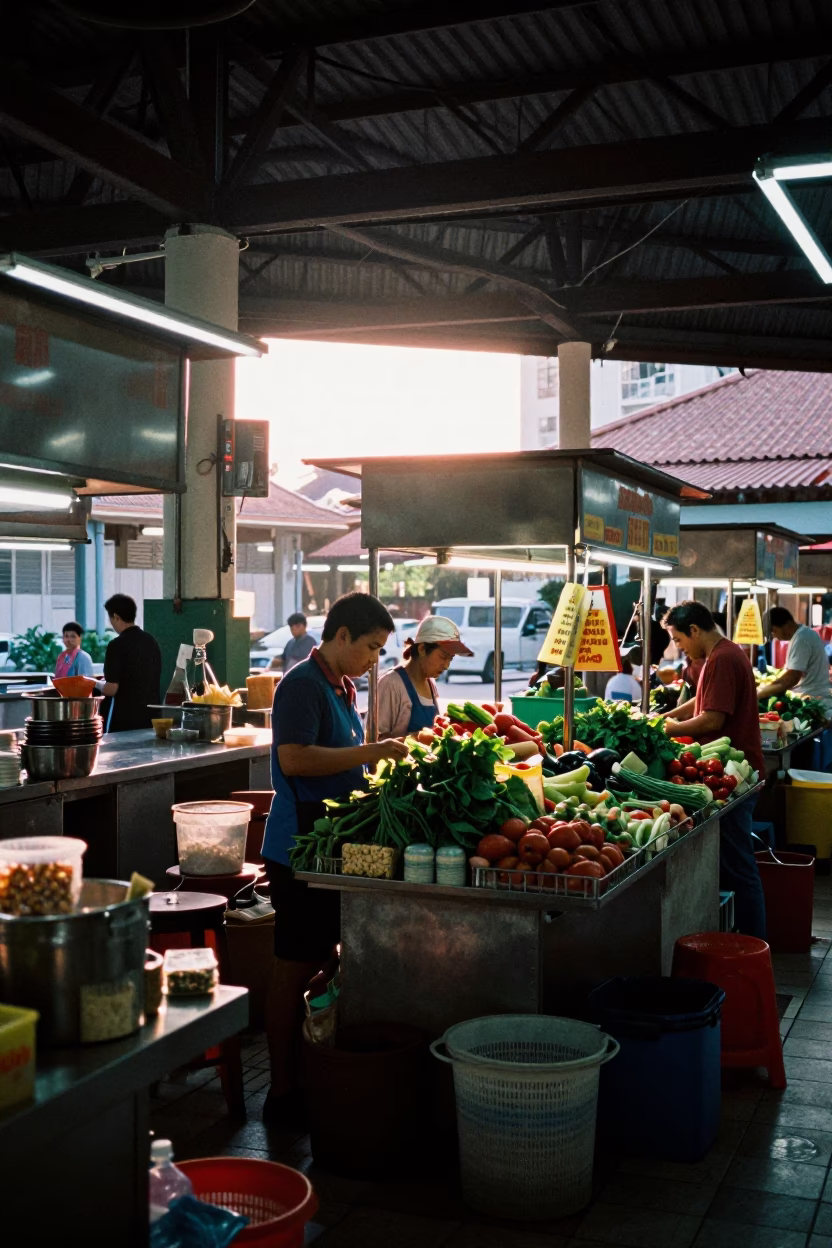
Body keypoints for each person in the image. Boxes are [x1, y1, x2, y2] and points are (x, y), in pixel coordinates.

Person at [260, 592, 409, 1123]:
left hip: (327, 846)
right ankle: (280, 1091)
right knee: (293, 964)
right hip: (297, 847)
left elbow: (339, 764)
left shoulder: (340, 686)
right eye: (370, 647)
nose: (375, 659)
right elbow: (295, 760)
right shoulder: (300, 685)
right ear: (341, 634)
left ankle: (309, 1068)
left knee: (323, 957)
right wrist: (374, 752)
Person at [661, 600, 766, 939]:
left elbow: (713, 718)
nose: (679, 647)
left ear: (694, 630)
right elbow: (703, 702)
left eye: (679, 640)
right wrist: (667, 717)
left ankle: (754, 943)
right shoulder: (723, 654)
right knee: (733, 864)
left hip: (734, 775)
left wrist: (664, 731)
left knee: (739, 867)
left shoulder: (722, 659)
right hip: (730, 772)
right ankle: (744, 937)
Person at [377, 616, 473, 738]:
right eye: (443, 657)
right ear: (422, 649)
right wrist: (418, 738)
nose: (447, 666)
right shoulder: (391, 683)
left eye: (451, 658)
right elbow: (375, 740)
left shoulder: (430, 683)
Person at [95, 594, 162, 733]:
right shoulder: (151, 641)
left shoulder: (116, 645)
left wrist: (94, 683)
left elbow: (111, 688)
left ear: (116, 617)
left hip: (124, 721)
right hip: (151, 718)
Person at [758, 606, 832, 713]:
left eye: (774, 631)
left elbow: (792, 677)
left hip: (815, 703)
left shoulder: (802, 639)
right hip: (814, 700)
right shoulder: (803, 634)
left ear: (786, 624)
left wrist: (762, 693)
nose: (775, 637)